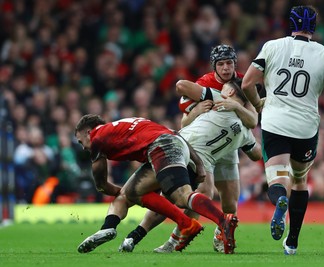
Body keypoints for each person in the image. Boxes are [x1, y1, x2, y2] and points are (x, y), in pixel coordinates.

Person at [241, 5, 324, 255]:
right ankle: (293, 241)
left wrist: (258, 104)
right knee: (299, 180)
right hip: (305, 127)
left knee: (277, 179)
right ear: (314, 27)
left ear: (291, 24)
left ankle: (280, 201)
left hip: (275, 123)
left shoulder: (272, 47)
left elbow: (247, 83)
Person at [118, 77, 262, 253]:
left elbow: (181, 85)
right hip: (201, 164)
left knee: (138, 192)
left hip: (178, 148)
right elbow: (257, 154)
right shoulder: (246, 134)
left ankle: (128, 234)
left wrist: (195, 109)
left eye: (224, 88)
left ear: (230, 92)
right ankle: (172, 242)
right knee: (196, 197)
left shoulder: (218, 98)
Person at [74, 114, 239, 254]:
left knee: (182, 196)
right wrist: (198, 163)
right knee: (129, 193)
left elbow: (101, 181)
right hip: (174, 144)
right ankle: (108, 227)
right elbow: (174, 133)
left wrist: (107, 188)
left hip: (162, 147)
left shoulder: (97, 136)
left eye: (81, 142)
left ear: (88, 132)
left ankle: (222, 220)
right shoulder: (129, 122)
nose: (83, 148)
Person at [153, 44, 259, 253]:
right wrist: (197, 111)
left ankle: (222, 237)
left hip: (228, 146)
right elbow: (185, 120)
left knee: (230, 201)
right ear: (214, 66)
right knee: (201, 193)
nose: (226, 68)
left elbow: (254, 118)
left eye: (229, 63)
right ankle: (175, 238)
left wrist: (236, 105)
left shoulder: (243, 82)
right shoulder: (204, 83)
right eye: (221, 64)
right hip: (203, 148)